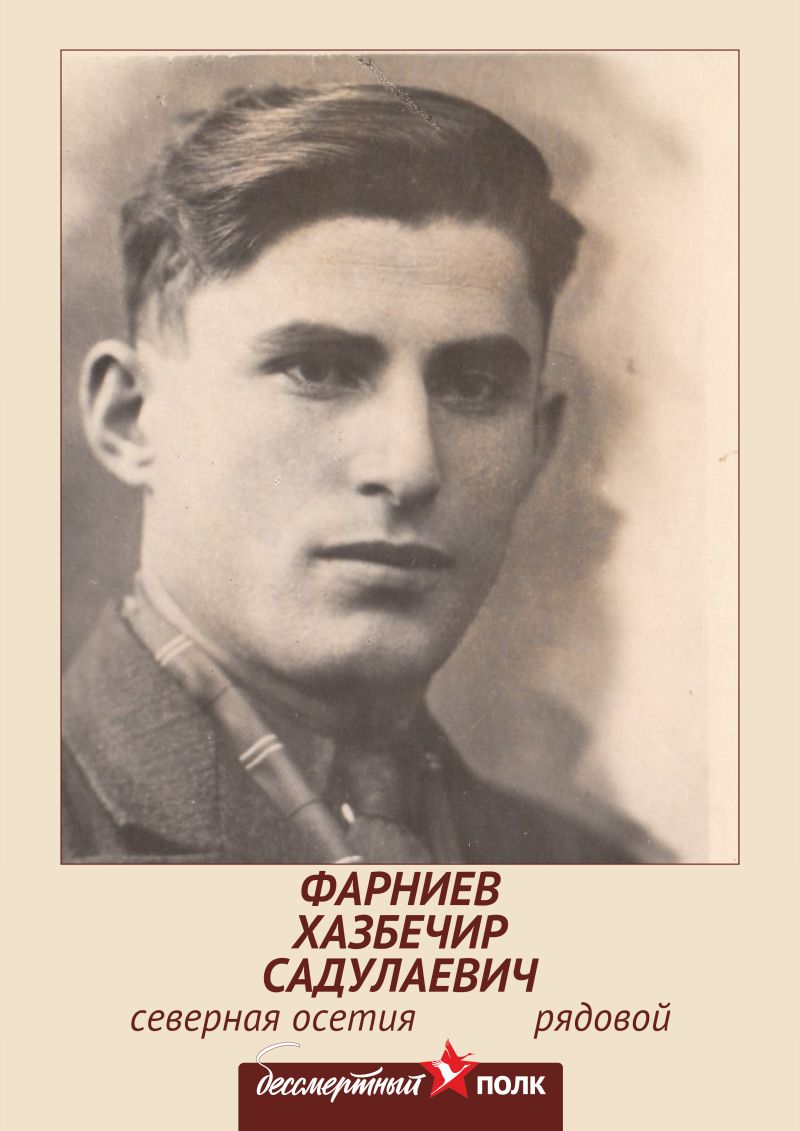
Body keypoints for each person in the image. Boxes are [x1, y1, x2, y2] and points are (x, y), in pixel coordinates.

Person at [62, 82, 644, 863]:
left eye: (474, 387)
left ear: (538, 445)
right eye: (318, 370)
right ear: (131, 417)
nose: (411, 466)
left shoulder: (600, 876)